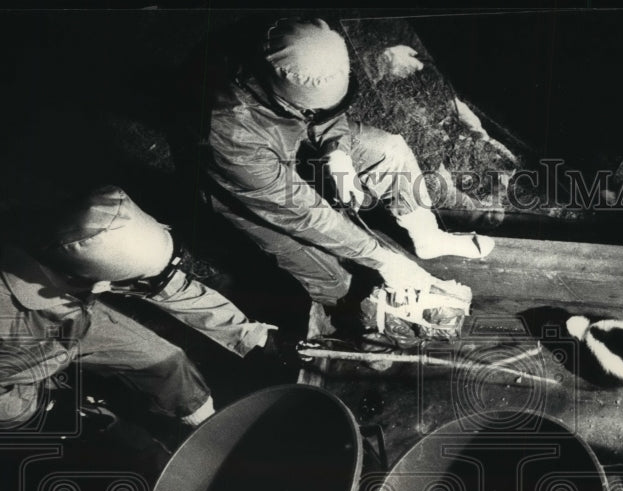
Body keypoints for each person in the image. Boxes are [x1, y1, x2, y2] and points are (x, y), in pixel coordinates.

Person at [204, 16, 494, 310]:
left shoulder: (299, 42)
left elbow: (324, 110)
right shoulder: (228, 131)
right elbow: (305, 214)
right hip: (248, 188)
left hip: (291, 130)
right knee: (338, 281)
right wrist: (383, 259)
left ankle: (427, 236)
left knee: (388, 150)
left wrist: (336, 151)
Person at [0, 186, 280, 430]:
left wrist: (254, 337)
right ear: (100, 285)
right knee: (103, 431)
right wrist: (38, 411)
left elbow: (172, 288)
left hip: (71, 310)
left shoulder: (81, 228)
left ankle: (206, 426)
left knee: (169, 363)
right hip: (24, 346)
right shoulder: (12, 325)